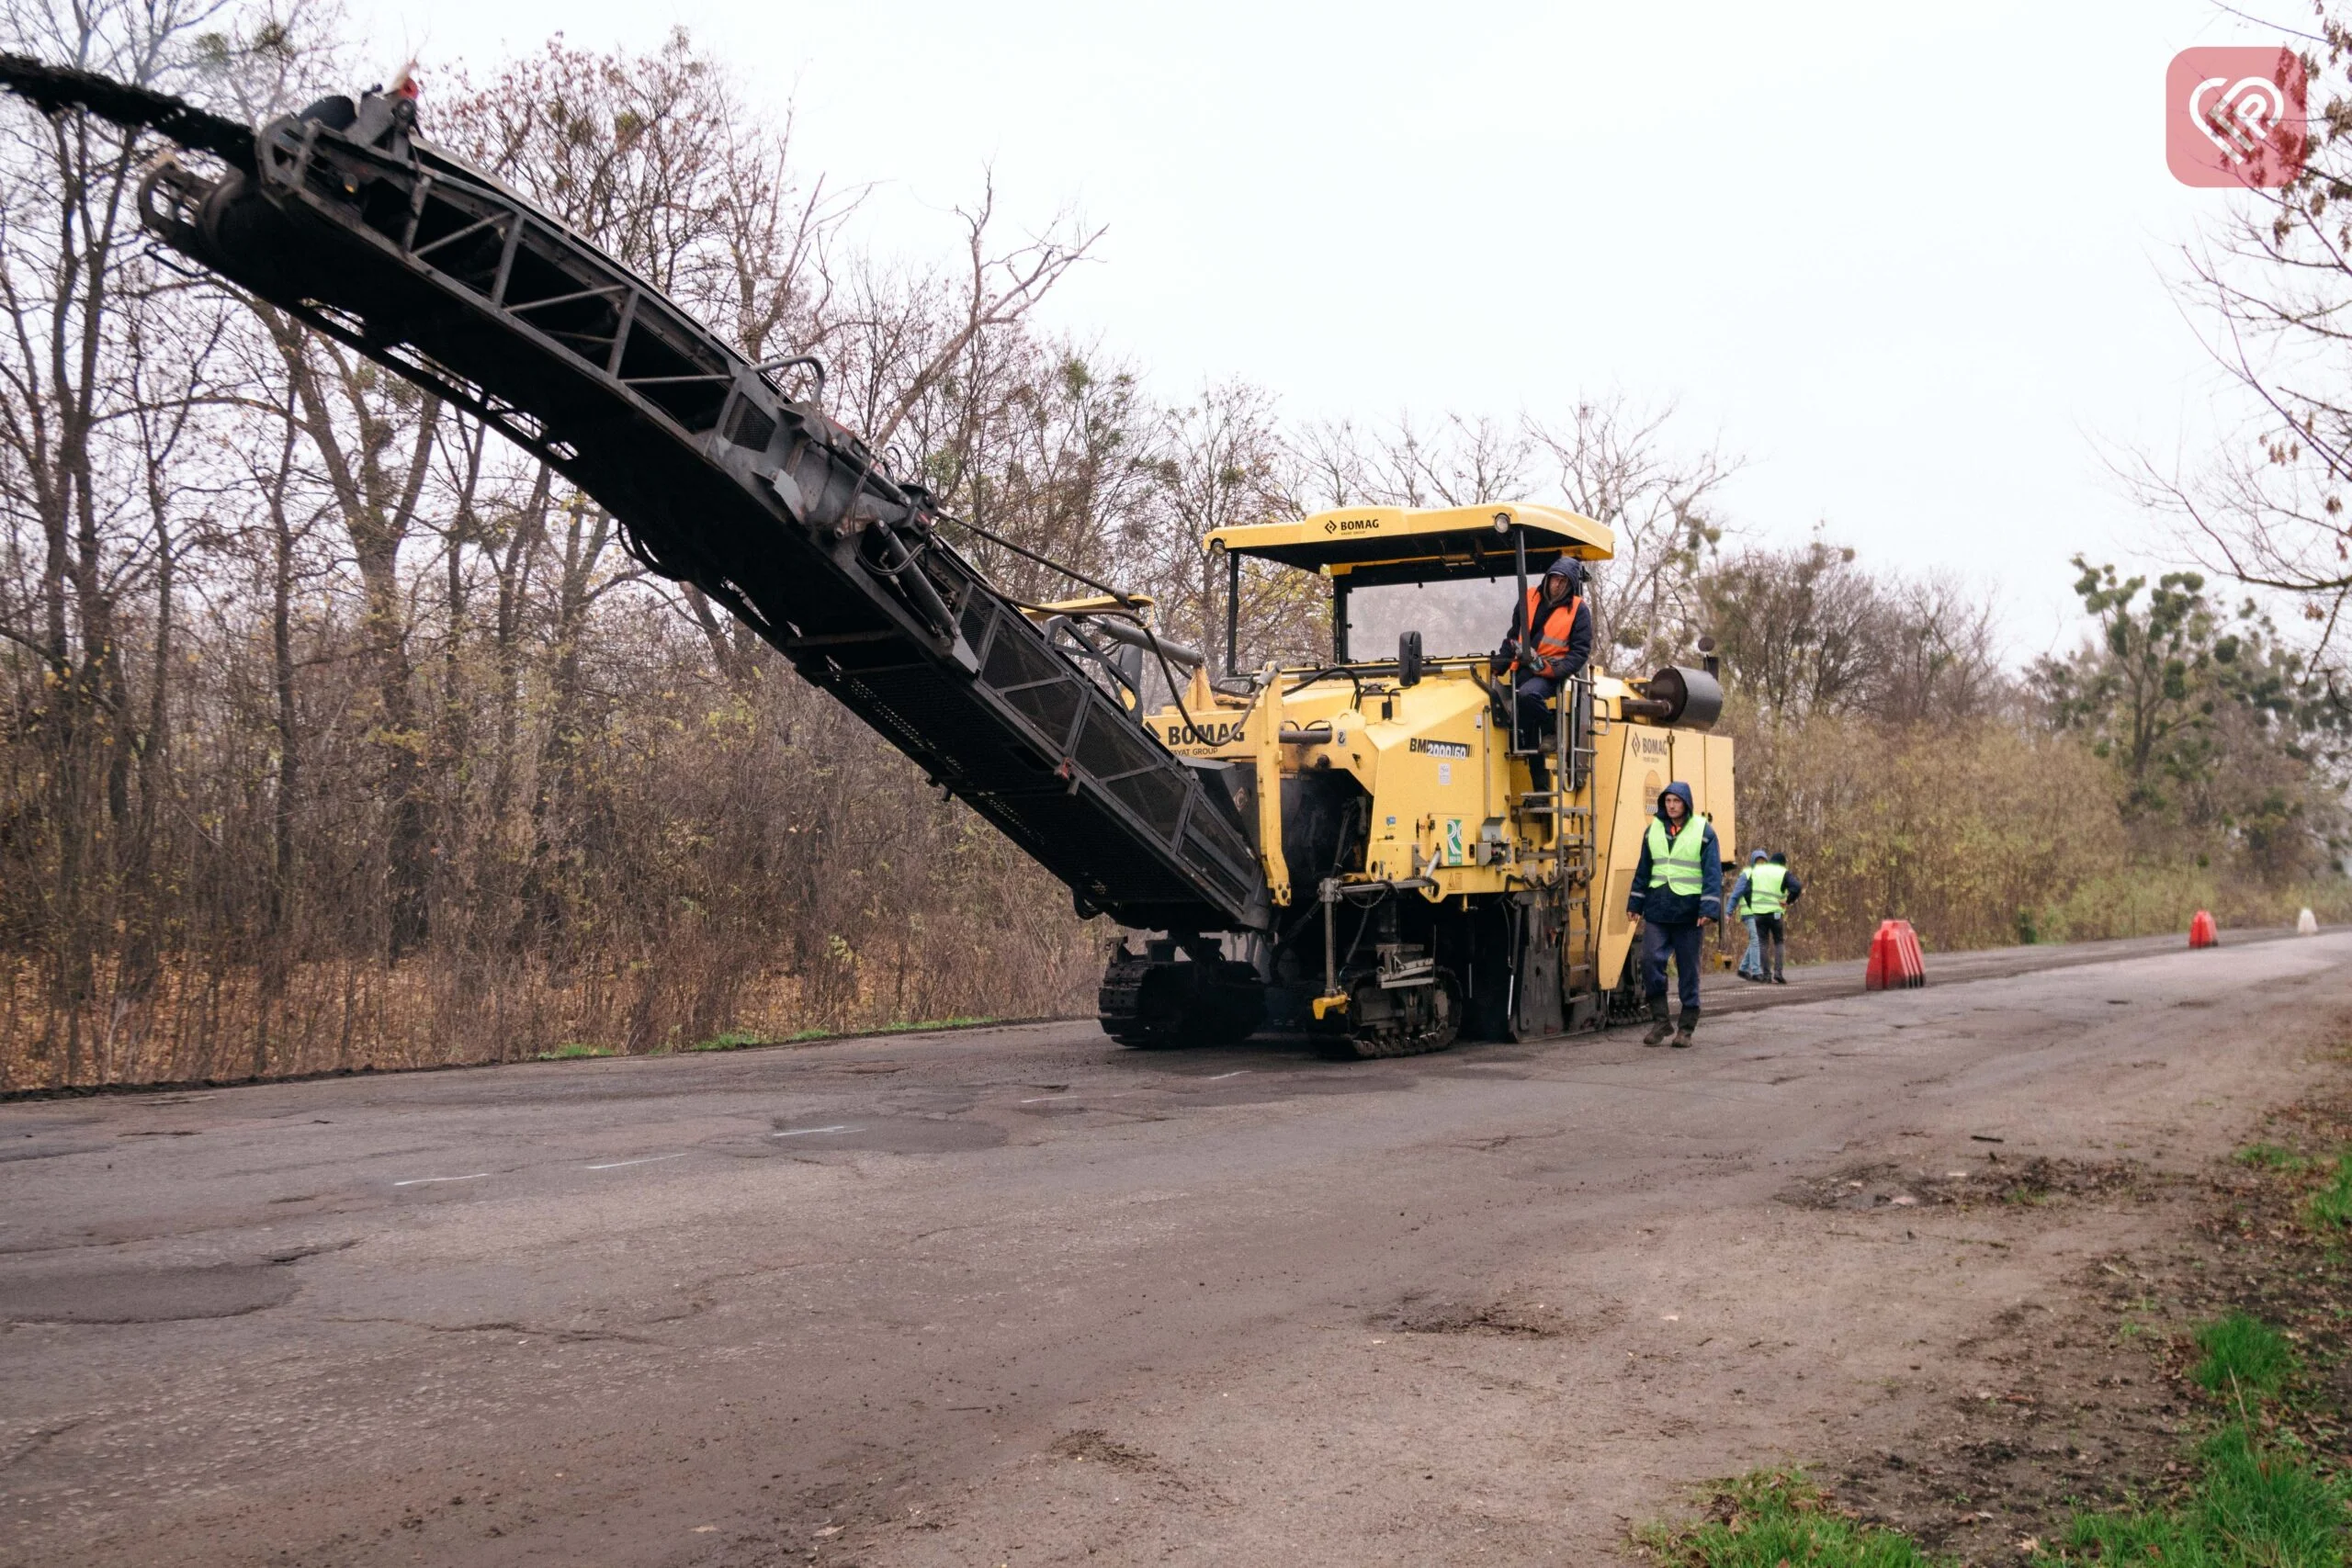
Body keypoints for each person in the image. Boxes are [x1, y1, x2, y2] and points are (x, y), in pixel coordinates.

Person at [1625, 781, 1722, 1047]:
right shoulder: (1653, 830)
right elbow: (1643, 869)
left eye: (1676, 801)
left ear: (1686, 804)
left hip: (1689, 913)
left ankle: (1686, 1029)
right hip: (1658, 909)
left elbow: (1713, 874)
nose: (1671, 806)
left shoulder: (1704, 832)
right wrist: (1634, 905)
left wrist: (1709, 909)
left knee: (1688, 970)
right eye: (1667, 801)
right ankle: (1661, 1022)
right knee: (1649, 962)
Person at [1492, 556, 1592, 789]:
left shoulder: (1579, 610)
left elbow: (1579, 653)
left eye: (1563, 581)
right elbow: (1514, 635)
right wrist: (1499, 664)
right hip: (1524, 669)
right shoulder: (1529, 598)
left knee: (1528, 695)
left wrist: (1554, 670)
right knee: (1526, 736)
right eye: (1554, 579)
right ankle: (1541, 789)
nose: (1556, 585)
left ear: (1570, 585)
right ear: (1547, 579)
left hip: (1550, 674)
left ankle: (1551, 729)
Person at [1747, 851, 1804, 985]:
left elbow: (1746, 890)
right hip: (1776, 914)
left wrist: (1752, 905)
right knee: (1778, 942)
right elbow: (1797, 887)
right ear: (1782, 863)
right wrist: (1788, 901)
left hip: (1758, 913)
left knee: (1762, 943)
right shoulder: (1782, 872)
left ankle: (1766, 975)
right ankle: (1778, 973)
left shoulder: (1757, 871)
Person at [1725, 850, 1768, 980]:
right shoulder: (1747, 874)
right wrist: (1728, 912)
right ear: (1753, 862)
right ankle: (1756, 971)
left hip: (1761, 914)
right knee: (1756, 940)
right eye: (1758, 861)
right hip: (1749, 914)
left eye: (1763, 861)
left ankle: (1743, 969)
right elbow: (1736, 894)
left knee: (1756, 940)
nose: (1761, 864)